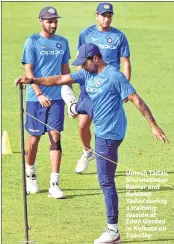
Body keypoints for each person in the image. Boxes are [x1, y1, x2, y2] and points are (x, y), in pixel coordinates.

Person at [16, 43, 168, 244]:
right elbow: (60, 79)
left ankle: (113, 231)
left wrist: (153, 125)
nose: (82, 66)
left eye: (84, 62)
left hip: (110, 134)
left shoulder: (114, 76)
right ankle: (75, 107)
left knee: (106, 181)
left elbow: (136, 100)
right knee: (86, 102)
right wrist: (33, 80)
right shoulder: (87, 74)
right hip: (101, 127)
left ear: (96, 58)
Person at [21, 6, 76, 199]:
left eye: (55, 21)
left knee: (55, 138)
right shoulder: (32, 42)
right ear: (41, 21)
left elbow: (65, 71)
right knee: (34, 139)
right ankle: (31, 176)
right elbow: (29, 72)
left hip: (56, 99)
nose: (53, 25)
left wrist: (71, 98)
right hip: (35, 99)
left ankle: (54, 184)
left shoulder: (63, 42)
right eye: (49, 21)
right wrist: (38, 94)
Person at [74, 2, 131, 174]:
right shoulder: (86, 34)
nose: (106, 19)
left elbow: (125, 63)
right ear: (96, 15)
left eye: (109, 16)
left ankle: (107, 161)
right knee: (83, 124)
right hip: (90, 86)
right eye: (103, 16)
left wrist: (124, 88)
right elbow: (79, 58)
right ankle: (87, 152)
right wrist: (83, 79)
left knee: (107, 126)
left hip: (110, 88)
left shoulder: (119, 36)